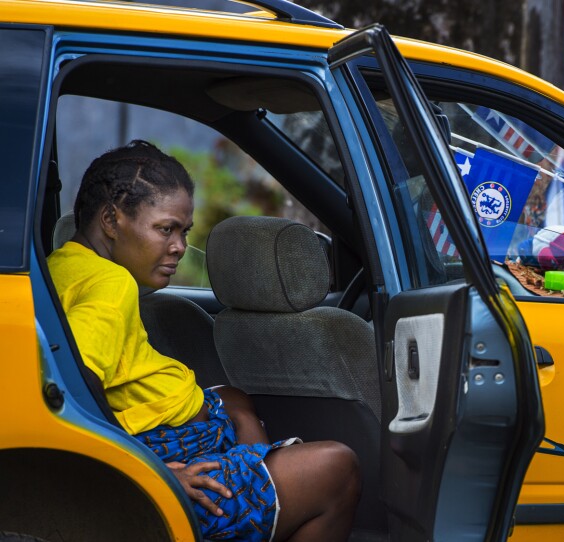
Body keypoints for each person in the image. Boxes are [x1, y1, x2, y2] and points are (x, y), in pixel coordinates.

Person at [47, 140, 360, 541]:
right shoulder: (112, 285)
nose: (179, 247)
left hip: (163, 431)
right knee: (339, 468)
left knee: (232, 400)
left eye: (184, 232)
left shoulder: (59, 266)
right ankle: (252, 500)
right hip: (156, 466)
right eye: (166, 229)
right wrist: (158, 475)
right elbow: (68, 390)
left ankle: (256, 496)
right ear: (111, 220)